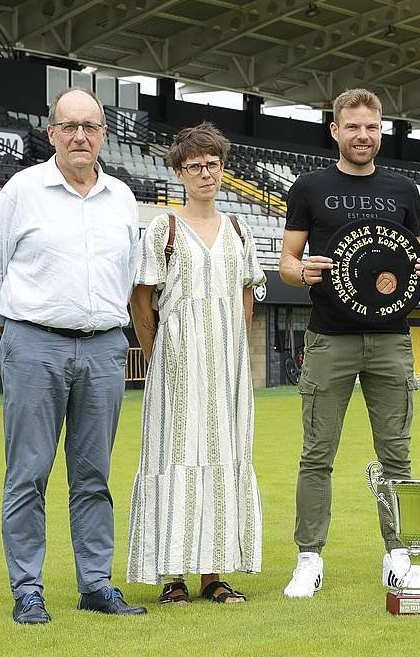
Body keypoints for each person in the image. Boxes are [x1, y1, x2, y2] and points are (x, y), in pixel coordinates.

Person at [0, 87, 147, 624]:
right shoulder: (22, 190)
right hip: (34, 343)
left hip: (103, 348)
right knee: (28, 473)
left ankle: (96, 584)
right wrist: (12, 334)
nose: (80, 136)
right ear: (51, 133)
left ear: (103, 136)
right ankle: (28, 589)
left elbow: (132, 274)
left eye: (90, 127)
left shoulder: (122, 196)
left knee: (93, 474)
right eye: (69, 126)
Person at [279, 88, 420, 599]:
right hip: (330, 340)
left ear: (381, 130)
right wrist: (302, 273)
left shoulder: (403, 191)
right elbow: (287, 262)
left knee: (398, 456)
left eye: (371, 127)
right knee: (316, 455)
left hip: (391, 340)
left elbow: (414, 258)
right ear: (335, 130)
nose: (363, 136)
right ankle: (309, 559)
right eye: (353, 127)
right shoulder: (309, 187)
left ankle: (400, 557)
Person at [126, 122, 266, 605]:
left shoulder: (241, 229)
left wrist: (235, 352)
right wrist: (157, 353)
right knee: (173, 458)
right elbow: (141, 300)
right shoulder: (162, 228)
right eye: (194, 166)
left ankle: (214, 575)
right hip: (177, 366)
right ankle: (172, 577)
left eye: (212, 164)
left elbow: (247, 295)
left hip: (227, 371)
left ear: (222, 168)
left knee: (225, 459)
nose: (205, 173)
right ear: (179, 172)